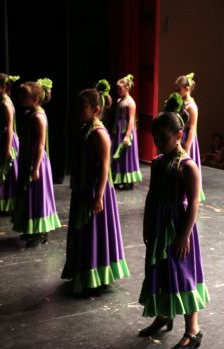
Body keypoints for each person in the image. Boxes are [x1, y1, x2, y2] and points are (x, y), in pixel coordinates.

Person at [138, 103, 210, 349]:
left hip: (179, 227)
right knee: (160, 270)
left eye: (164, 139)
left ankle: (193, 330)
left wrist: (184, 235)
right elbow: (151, 195)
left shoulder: (187, 166)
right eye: (155, 139)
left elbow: (194, 203)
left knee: (183, 274)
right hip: (159, 225)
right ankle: (163, 315)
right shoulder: (158, 163)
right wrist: (147, 224)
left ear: (179, 136)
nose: (158, 143)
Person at [61, 82, 129, 294]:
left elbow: (104, 167)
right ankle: (82, 271)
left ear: (96, 110)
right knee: (82, 232)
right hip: (83, 189)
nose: (79, 111)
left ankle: (96, 275)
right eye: (78, 107)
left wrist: (99, 196)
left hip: (95, 190)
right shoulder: (85, 129)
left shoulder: (99, 133)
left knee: (95, 232)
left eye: (83, 107)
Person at [12, 78, 61, 247]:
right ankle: (32, 229)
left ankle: (41, 231)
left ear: (35, 99)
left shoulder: (39, 117)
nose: (20, 98)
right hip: (28, 159)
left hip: (37, 161)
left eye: (24, 96)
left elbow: (41, 145)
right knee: (29, 196)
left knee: (37, 196)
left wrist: (36, 167)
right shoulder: (29, 114)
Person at [0, 73, 20, 212]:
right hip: (2, 140)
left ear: (4, 86)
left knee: (6, 172)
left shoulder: (6, 104)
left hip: (7, 141)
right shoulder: (2, 102)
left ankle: (9, 203)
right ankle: (3, 203)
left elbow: (10, 127)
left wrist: (7, 148)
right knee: (1, 171)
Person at [110, 75, 142, 190]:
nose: (118, 90)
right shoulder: (119, 100)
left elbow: (132, 120)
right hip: (118, 130)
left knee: (126, 155)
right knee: (117, 155)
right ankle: (118, 179)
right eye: (117, 88)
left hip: (126, 131)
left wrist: (127, 135)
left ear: (127, 88)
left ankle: (128, 180)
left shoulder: (130, 102)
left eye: (120, 88)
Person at [175, 73, 205, 201]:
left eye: (179, 89)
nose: (177, 92)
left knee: (187, 167)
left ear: (187, 88)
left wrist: (187, 146)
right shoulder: (181, 103)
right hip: (179, 137)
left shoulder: (192, 106)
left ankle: (189, 194)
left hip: (188, 139)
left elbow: (192, 127)